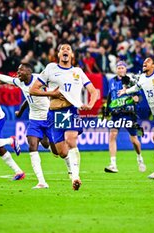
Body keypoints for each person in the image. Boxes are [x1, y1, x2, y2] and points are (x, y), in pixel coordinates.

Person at [29, 43, 98, 190]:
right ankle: (71, 170)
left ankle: (75, 177)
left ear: (71, 55)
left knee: (71, 140)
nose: (65, 50)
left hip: (71, 111)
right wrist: (50, 94)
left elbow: (94, 91)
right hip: (54, 114)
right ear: (59, 54)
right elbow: (33, 90)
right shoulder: (50, 69)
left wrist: (91, 104)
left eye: (68, 49)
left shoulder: (78, 71)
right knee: (61, 152)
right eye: (62, 49)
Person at [0, 63, 58, 189]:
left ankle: (72, 172)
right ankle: (41, 182)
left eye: (20, 70)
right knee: (32, 145)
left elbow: (54, 84)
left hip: (48, 116)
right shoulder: (20, 82)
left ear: (29, 71)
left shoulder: (39, 79)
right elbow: (6, 79)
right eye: (17, 70)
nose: (18, 72)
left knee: (53, 148)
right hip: (34, 119)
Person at [104, 61, 145, 173]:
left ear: (126, 69)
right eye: (119, 68)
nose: (120, 69)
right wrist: (106, 111)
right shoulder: (111, 81)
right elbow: (109, 96)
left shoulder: (131, 81)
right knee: (112, 135)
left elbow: (139, 96)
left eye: (122, 67)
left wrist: (136, 99)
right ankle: (113, 164)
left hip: (128, 114)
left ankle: (139, 158)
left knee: (134, 140)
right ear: (116, 69)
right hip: (116, 114)